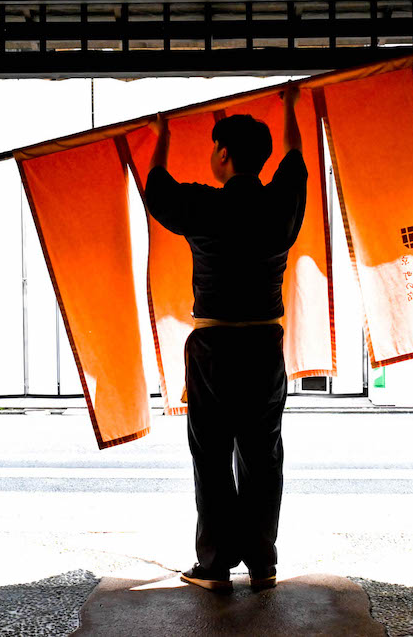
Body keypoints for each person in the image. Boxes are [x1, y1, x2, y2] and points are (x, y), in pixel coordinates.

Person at [144, 87, 307, 592]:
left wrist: (163, 134)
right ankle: (263, 564)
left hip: (213, 350)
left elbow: (156, 187)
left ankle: (214, 566)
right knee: (263, 456)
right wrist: (289, 106)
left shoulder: (203, 206)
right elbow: (296, 160)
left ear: (221, 154)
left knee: (211, 456)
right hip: (263, 346)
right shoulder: (279, 206)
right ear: (261, 159)